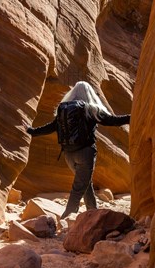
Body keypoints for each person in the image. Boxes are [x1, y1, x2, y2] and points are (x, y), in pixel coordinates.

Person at [26, 81, 130, 219]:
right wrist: (131, 117)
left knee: (85, 183)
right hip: (85, 152)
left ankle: (92, 211)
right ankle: (67, 216)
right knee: (79, 187)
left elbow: (51, 127)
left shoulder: (63, 110)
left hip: (68, 154)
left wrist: (32, 131)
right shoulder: (91, 109)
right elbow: (113, 121)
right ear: (89, 94)